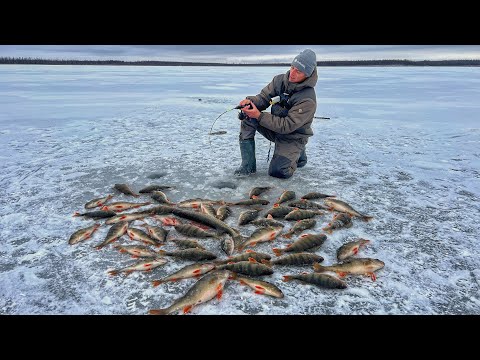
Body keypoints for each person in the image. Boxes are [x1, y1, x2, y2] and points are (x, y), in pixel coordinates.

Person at [234, 48, 318, 179]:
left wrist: (259, 116)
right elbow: (263, 98)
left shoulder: (308, 99)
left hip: (293, 136)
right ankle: (248, 167)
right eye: (292, 67)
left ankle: (298, 152)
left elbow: (287, 126)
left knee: (278, 172)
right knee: (247, 116)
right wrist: (250, 102)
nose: (292, 73)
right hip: (275, 128)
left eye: (299, 71)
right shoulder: (279, 81)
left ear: (307, 74)